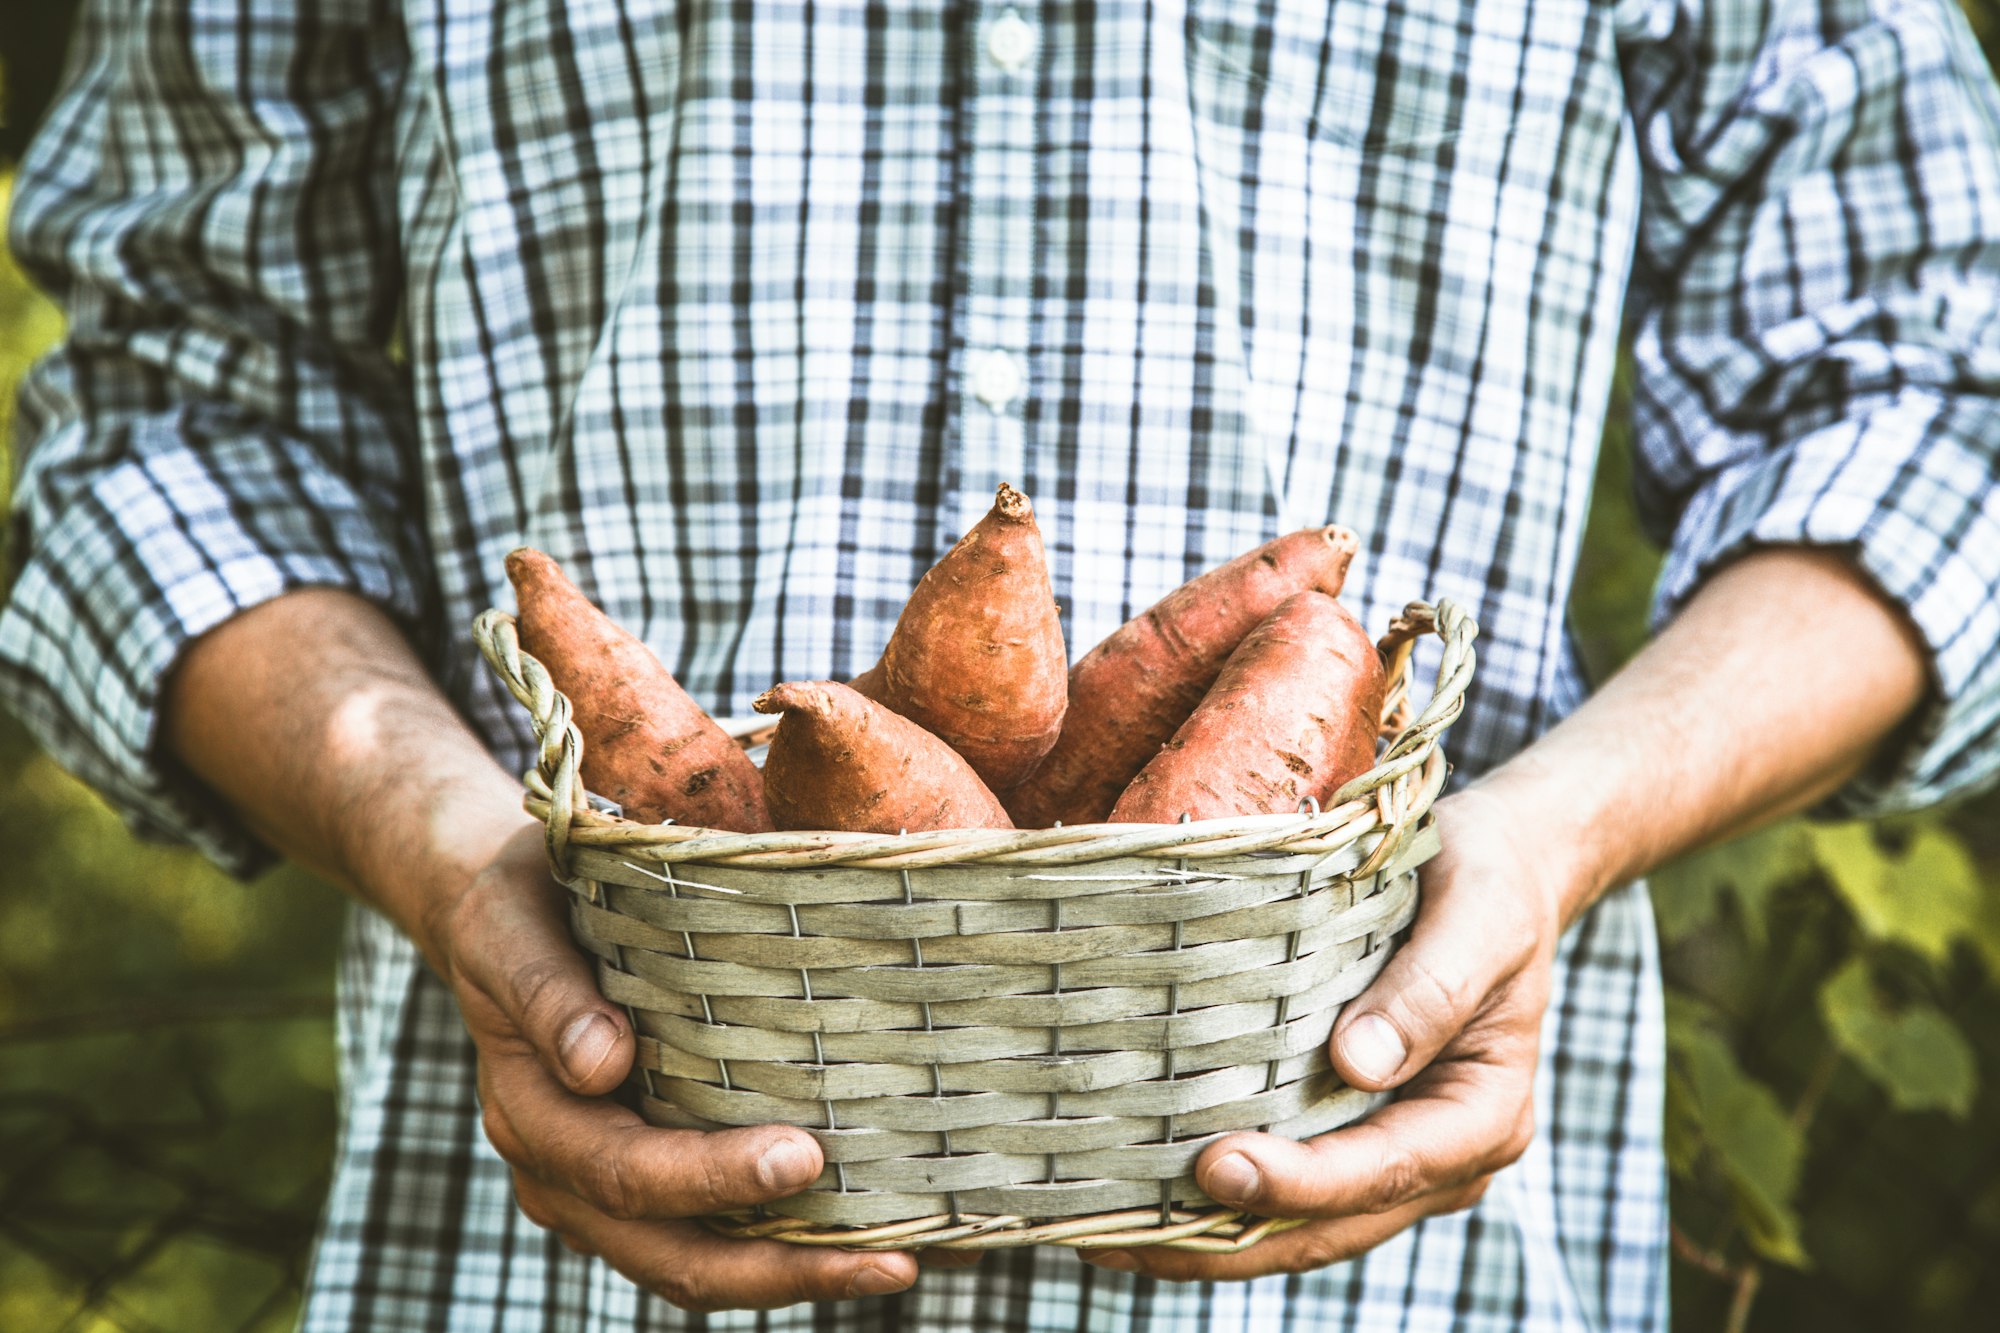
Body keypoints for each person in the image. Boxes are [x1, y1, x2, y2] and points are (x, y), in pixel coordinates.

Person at [5, 0, 1998, 1327]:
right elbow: (167, 418)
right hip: (531, 1253)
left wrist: (1550, 834)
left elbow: (1940, 405)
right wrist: (444, 845)